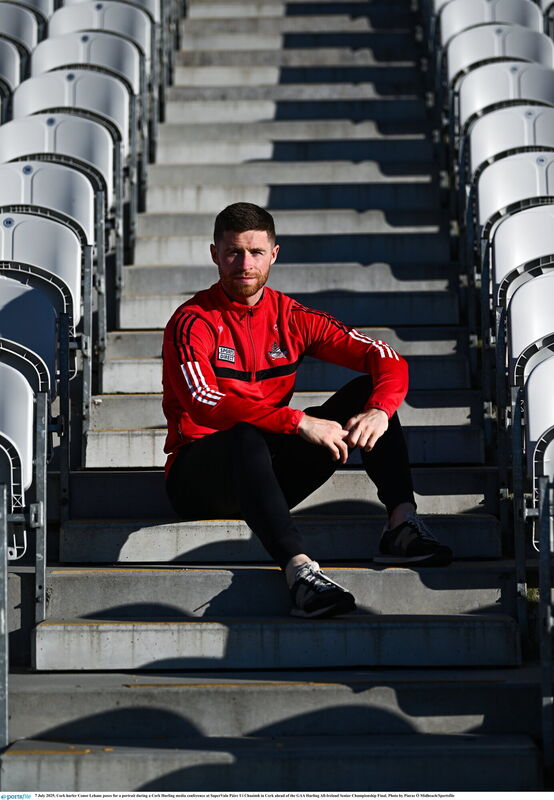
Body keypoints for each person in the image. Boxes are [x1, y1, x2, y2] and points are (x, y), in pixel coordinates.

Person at [162, 202, 452, 619]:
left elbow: (386, 358)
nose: (244, 264)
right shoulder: (192, 321)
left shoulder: (291, 316)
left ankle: (401, 525)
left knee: (368, 391)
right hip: (201, 478)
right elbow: (204, 403)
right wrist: (297, 421)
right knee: (246, 431)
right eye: (233, 252)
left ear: (274, 254)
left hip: (267, 474)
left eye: (256, 252)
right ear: (214, 254)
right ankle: (299, 572)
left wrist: (381, 411)